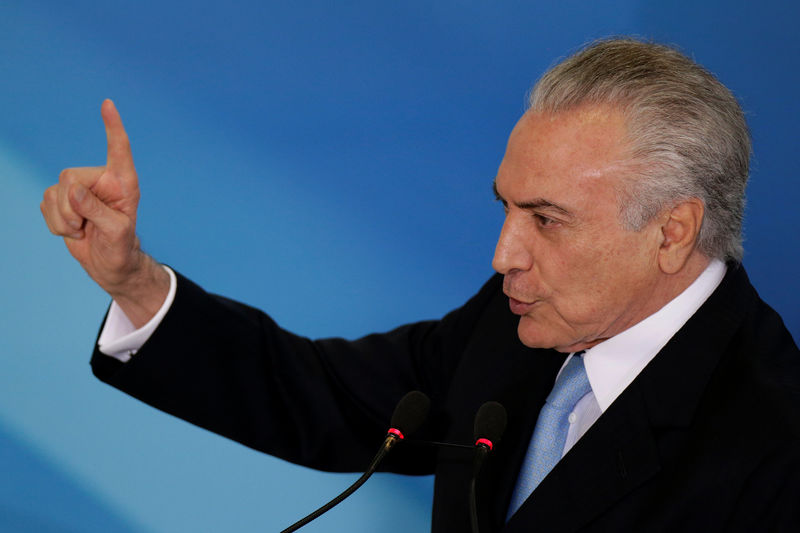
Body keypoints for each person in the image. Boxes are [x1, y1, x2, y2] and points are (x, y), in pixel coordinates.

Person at [41, 38, 799, 532]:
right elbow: (326, 397)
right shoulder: (515, 320)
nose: (505, 253)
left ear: (672, 231)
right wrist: (134, 280)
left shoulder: (772, 445)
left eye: (547, 219)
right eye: (506, 207)